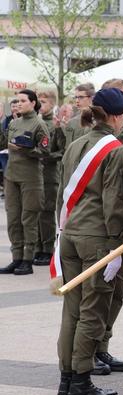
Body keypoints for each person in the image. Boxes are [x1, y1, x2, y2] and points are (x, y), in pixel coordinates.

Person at [55, 87, 123, 395]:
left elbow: (63, 189)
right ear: (114, 116)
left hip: (70, 233)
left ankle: (67, 381)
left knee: (71, 311)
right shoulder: (114, 149)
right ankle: (82, 380)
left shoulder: (77, 143)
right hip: (97, 238)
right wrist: (118, 244)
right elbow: (114, 201)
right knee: (93, 312)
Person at [92, 80, 123, 375]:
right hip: (103, 231)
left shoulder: (120, 138)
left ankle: (100, 347)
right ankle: (87, 354)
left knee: (114, 295)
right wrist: (114, 241)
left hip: (104, 230)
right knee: (96, 299)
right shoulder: (108, 145)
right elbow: (111, 196)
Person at [0, 89, 49, 276]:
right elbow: (3, 143)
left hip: (31, 178)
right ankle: (16, 258)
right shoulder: (14, 122)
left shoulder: (39, 124)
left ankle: (27, 259)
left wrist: (25, 149)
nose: (18, 103)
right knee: (13, 219)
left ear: (33, 103)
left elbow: (45, 151)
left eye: (22, 100)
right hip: (11, 176)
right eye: (17, 101)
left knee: (28, 219)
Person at [34, 90, 61, 266]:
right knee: (35, 212)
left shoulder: (55, 125)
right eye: (38, 102)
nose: (40, 105)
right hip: (35, 173)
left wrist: (47, 155)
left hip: (50, 173)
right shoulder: (35, 122)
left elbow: (62, 150)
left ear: (52, 104)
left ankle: (47, 248)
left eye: (43, 102)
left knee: (46, 213)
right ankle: (37, 247)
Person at [64, 83, 95, 150]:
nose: (77, 101)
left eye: (81, 97)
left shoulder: (99, 121)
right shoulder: (72, 121)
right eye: (76, 97)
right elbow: (67, 148)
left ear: (91, 98)